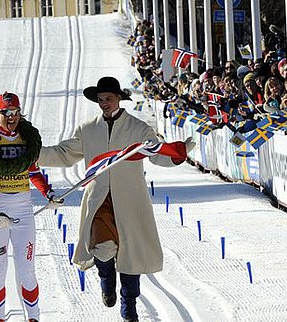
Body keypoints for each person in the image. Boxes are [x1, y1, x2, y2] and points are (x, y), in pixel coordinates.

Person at [37, 77, 193, 322]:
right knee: (103, 248)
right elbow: (63, 154)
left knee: (131, 258)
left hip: (131, 200)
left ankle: (128, 304)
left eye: (108, 99)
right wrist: (33, 154)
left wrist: (176, 156)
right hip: (99, 199)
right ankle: (106, 278)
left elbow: (156, 154)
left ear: (119, 98)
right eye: (100, 100)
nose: (104, 104)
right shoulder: (87, 129)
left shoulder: (138, 128)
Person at [0, 92, 62, 322]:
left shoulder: (26, 139)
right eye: (7, 113)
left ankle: (34, 318)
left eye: (16, 112)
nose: (12, 117)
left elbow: (33, 171)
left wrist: (48, 194)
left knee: (27, 270)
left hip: (22, 209)